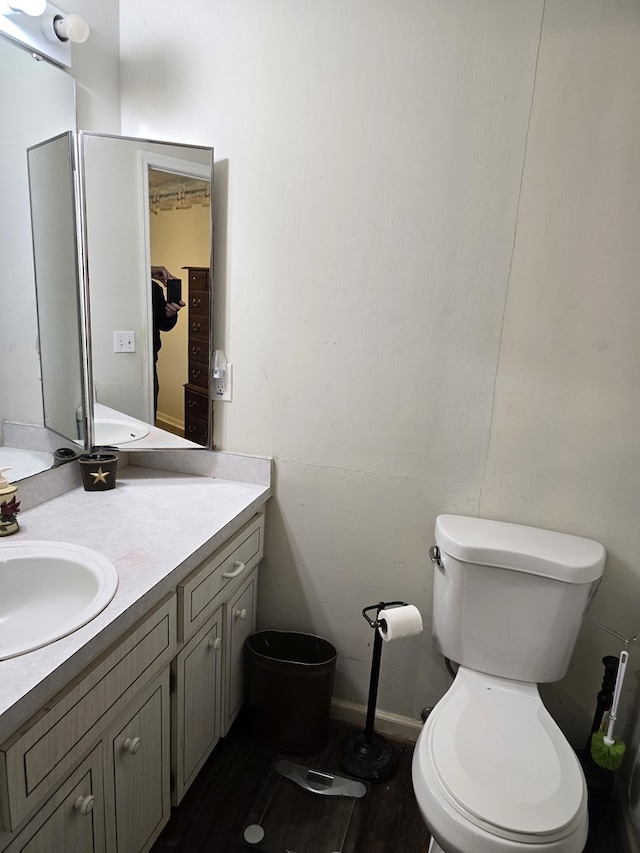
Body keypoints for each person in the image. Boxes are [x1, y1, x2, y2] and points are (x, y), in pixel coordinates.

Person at [150, 266, 185, 420]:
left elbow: (163, 324)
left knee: (149, 418)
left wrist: (170, 314)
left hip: (150, 364)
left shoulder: (154, 289)